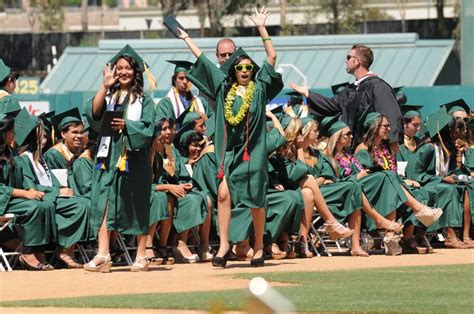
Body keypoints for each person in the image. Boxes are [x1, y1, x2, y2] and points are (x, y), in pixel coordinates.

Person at [178, 6, 283, 268]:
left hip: (255, 152)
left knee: (257, 200)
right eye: (240, 67)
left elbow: (272, 56)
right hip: (232, 153)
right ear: (233, 71)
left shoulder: (260, 88)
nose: (245, 70)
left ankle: (259, 246)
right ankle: (224, 245)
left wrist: (261, 27)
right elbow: (203, 61)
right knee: (224, 195)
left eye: (248, 67)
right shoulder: (225, 90)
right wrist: (187, 39)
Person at [83, 44, 156, 272]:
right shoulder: (109, 95)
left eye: (128, 68)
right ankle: (103, 254)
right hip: (107, 157)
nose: (123, 72)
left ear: (136, 72)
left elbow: (148, 129)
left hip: (133, 159)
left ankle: (142, 255)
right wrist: (103, 86)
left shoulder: (144, 101)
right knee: (103, 202)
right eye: (120, 68)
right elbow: (93, 114)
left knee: (138, 204)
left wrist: (128, 126)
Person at [14, 108, 90, 268]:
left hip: (49, 196)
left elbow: (52, 181)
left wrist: (62, 189)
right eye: (41, 136)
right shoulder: (24, 158)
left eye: (46, 136)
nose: (44, 140)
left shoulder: (39, 158)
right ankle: (59, 248)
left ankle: (66, 248)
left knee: (85, 203)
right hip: (40, 197)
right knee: (79, 206)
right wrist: (57, 192)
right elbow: (30, 186)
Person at [290, 44, 403, 151]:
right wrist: (307, 93)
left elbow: (391, 113)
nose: (346, 60)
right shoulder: (350, 90)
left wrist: (393, 140)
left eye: (348, 57)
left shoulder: (378, 86)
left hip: (374, 148)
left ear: (358, 61)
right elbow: (331, 105)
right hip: (353, 147)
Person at [406, 108, 473, 248]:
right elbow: (415, 174)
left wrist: (459, 154)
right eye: (455, 130)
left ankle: (465, 235)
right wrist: (442, 180)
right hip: (422, 185)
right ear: (446, 132)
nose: (459, 133)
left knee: (467, 186)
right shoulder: (428, 148)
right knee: (448, 190)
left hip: (439, 183)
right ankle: (450, 235)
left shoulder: (447, 148)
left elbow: (453, 170)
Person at [0, 112, 55, 270]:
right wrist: (24, 193)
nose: (15, 134)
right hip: (4, 201)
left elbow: (20, 177)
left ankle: (39, 251)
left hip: (9, 200)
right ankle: (27, 252)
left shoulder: (9, 153)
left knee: (45, 205)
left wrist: (30, 188)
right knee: (33, 208)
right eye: (11, 130)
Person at [43, 108, 85, 188]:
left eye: (82, 132)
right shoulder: (52, 155)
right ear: (63, 134)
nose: (79, 136)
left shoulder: (83, 152)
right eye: (74, 132)